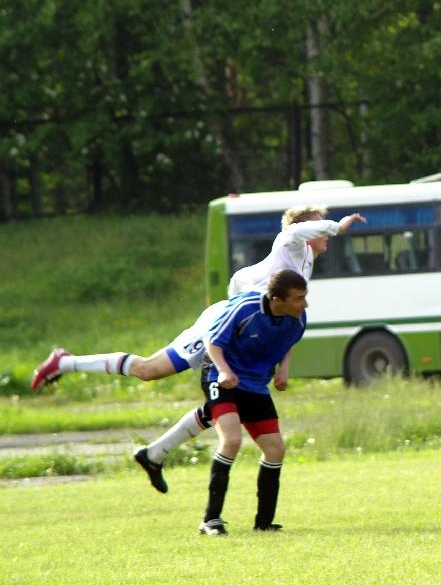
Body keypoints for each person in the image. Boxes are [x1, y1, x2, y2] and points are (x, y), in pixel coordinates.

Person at [31, 206, 365, 492]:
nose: (327, 234)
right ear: (305, 229)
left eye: (327, 227)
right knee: (150, 370)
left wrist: (282, 363)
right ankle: (66, 362)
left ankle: (154, 454)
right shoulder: (288, 245)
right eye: (321, 226)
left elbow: (284, 319)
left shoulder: (304, 260)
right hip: (221, 324)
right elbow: (292, 238)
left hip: (239, 332)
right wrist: (339, 225)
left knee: (225, 405)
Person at [197, 268, 308, 536]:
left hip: (255, 384)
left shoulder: (298, 318)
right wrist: (224, 371)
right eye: (298, 298)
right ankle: (210, 520)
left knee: (275, 448)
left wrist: (284, 369)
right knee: (232, 441)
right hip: (220, 377)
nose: (305, 304)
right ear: (276, 300)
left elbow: (287, 341)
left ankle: (264, 523)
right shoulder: (246, 308)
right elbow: (212, 341)